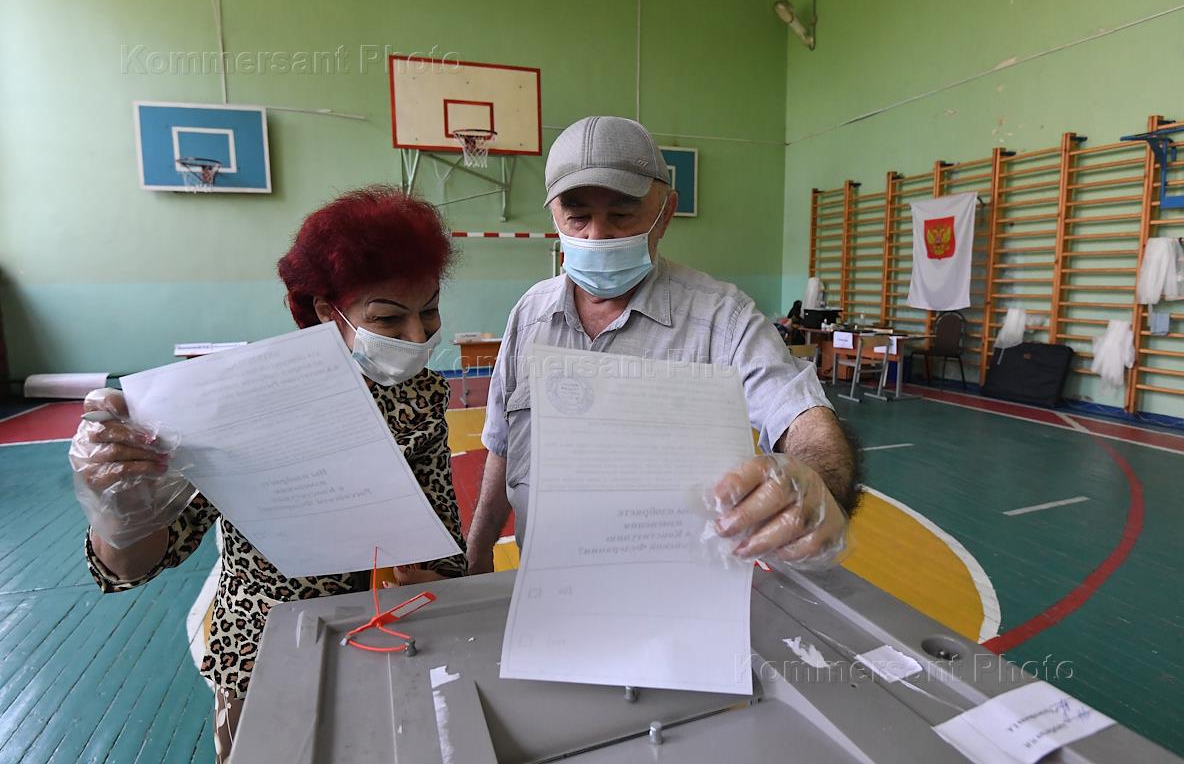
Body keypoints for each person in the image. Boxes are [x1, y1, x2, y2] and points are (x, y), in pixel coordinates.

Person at [68, 186, 467, 763]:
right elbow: (130, 567)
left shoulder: (421, 394)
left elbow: (444, 536)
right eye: (387, 317)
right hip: (267, 654)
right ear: (325, 311)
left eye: (429, 310)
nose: (417, 336)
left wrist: (431, 575)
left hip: (393, 642)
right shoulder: (242, 398)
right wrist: (121, 506)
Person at [466, 116, 861, 574]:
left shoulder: (722, 320)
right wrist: (479, 548)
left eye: (621, 215)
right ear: (553, 214)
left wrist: (815, 482)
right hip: (546, 581)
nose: (596, 236)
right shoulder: (529, 316)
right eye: (577, 216)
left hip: (678, 588)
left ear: (665, 213)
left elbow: (802, 415)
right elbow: (503, 446)